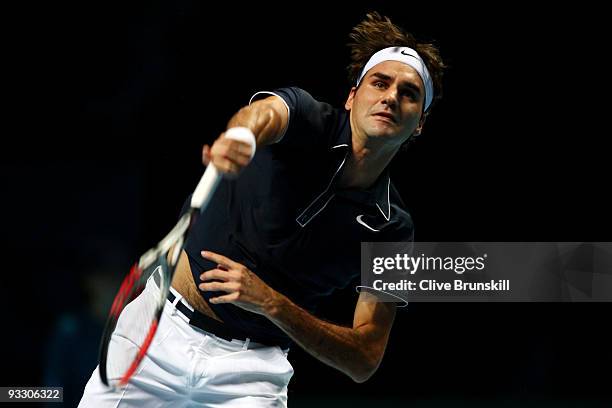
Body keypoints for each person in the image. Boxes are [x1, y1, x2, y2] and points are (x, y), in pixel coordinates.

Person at [79, 11, 445, 407]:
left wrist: (271, 303)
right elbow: (264, 115)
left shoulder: (394, 230)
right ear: (353, 96)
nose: (391, 96)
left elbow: (365, 359)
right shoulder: (307, 118)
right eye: (380, 83)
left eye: (409, 93)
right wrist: (242, 137)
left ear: (420, 122)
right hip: (156, 331)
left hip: (251, 374)